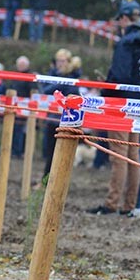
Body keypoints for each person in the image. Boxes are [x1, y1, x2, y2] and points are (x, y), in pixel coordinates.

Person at [88, 0, 140, 216]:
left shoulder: (127, 42)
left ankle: (111, 203)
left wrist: (106, 88)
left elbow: (120, 76)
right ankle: (129, 204)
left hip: (120, 104)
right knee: (134, 156)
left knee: (119, 156)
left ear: (124, 18)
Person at [41, 49, 81, 182]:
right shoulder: (53, 75)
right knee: (49, 152)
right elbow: (44, 90)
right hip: (52, 117)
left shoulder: (72, 79)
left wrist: (59, 84)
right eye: (58, 60)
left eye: (63, 60)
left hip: (65, 119)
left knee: (59, 153)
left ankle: (50, 181)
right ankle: (47, 180)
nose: (60, 63)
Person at [9, 55, 35, 157]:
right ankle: (13, 150)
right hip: (13, 106)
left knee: (21, 131)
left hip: (25, 107)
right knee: (13, 129)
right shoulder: (14, 75)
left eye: (22, 64)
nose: (20, 66)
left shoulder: (30, 76)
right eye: (19, 64)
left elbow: (33, 91)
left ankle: (19, 151)